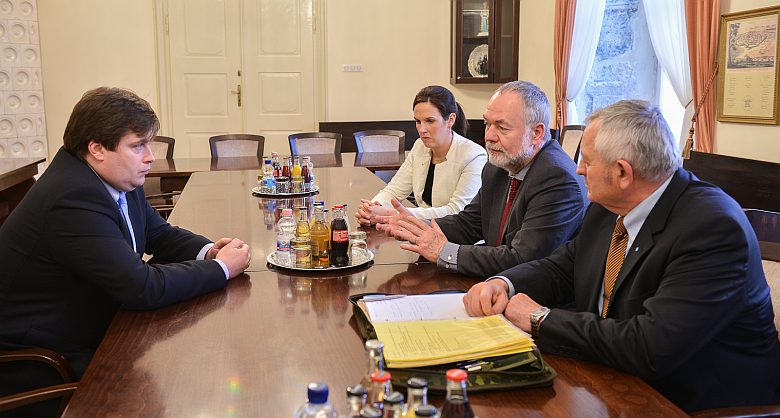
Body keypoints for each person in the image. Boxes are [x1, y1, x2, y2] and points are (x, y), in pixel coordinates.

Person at [463, 100, 780, 412]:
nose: (578, 169)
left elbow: (650, 347)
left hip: (692, 402)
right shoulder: (608, 205)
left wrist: (540, 318)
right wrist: (505, 284)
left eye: (587, 161)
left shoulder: (712, 229)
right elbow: (564, 267)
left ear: (623, 173)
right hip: (610, 375)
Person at [0, 87, 251, 382]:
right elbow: (142, 288)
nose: (150, 157)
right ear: (97, 149)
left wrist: (208, 252)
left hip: (95, 320)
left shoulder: (114, 178)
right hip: (46, 358)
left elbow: (160, 234)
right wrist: (221, 268)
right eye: (138, 146)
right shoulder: (72, 198)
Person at [376, 81, 587, 278]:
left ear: (536, 133)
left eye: (502, 127)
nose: (489, 136)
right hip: (497, 282)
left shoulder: (557, 179)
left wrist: (443, 251)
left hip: (533, 294)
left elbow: (522, 259)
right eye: (487, 124)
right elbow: (470, 223)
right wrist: (416, 228)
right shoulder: (499, 165)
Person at [355, 85, 486, 223]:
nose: (422, 129)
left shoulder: (474, 155)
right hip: (423, 228)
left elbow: (456, 211)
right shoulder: (420, 146)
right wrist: (372, 209)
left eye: (430, 121)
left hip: (455, 233)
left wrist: (391, 214)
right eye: (418, 121)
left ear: (451, 120)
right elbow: (393, 191)